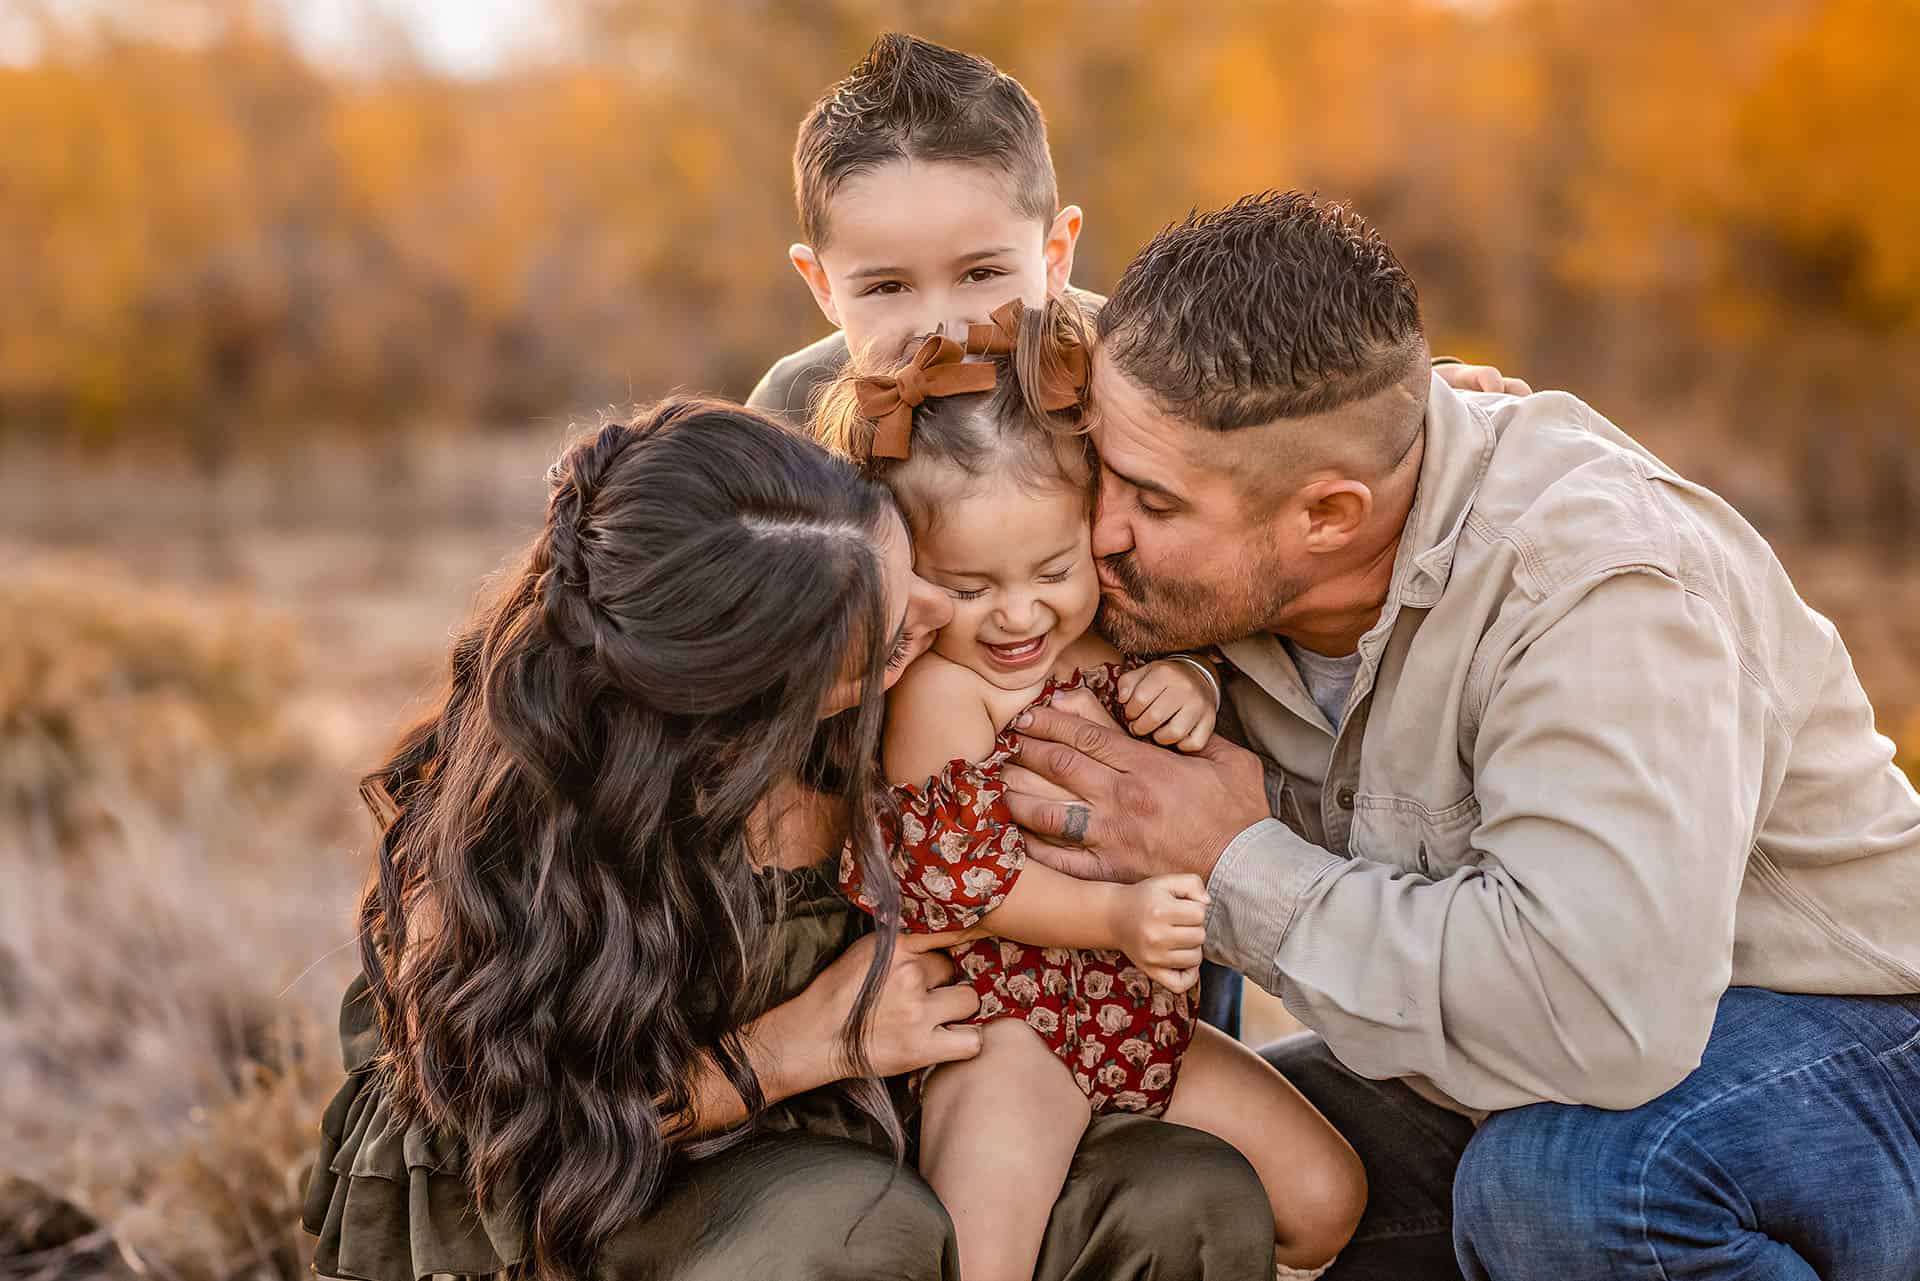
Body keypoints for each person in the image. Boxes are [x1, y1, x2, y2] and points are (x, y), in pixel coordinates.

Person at [1000, 190, 1920, 1281]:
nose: (1099, 532)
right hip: (1535, 1068)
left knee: (1569, 1186)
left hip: (1853, 1035)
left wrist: (1229, 860)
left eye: (1152, 502)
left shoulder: (1601, 590)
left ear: (1330, 515)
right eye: (1105, 465)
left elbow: (1603, 1022)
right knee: (1192, 1162)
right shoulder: (1225, 533)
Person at [299, 400, 1277, 1281]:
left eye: (920, 578)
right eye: (892, 641)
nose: (942, 624)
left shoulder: (906, 729)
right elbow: (519, 1161)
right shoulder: (509, 858)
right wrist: (802, 1045)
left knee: (1187, 1194)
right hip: (631, 1215)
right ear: (751, 716)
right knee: (848, 1223)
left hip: (910, 1148)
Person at [747, 30, 1528, 1035]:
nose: (940, 322)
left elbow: (1296, 418)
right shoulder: (802, 413)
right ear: (820, 282)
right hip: (937, 821)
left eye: (984, 272)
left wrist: (1428, 408)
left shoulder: (1125, 377)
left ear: (1056, 252)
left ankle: (1192, 1038)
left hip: (1123, 781)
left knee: (1170, 953)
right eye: (887, 288)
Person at [815, 299, 1367, 1281]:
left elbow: (1202, 699)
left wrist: (1189, 686)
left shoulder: (1110, 637)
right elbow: (961, 885)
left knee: (1327, 1199)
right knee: (985, 1257)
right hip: (1004, 1025)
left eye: (1053, 569)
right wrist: (1113, 917)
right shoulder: (944, 694)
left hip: (1131, 1016)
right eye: (970, 586)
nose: (1019, 614)